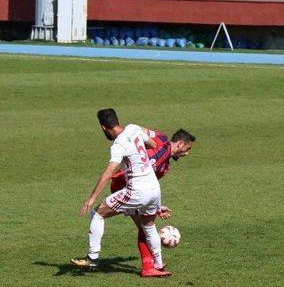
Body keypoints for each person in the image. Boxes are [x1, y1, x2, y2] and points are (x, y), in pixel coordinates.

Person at [71, 109, 169, 277]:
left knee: (97, 213)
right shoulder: (134, 128)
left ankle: (92, 258)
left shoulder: (118, 145)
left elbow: (109, 173)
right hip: (154, 188)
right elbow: (153, 144)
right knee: (148, 225)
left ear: (103, 127)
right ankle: (158, 266)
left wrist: (91, 198)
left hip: (137, 190)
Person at [110, 128, 196, 277]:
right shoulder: (159, 138)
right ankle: (150, 266)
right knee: (145, 227)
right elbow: (136, 130)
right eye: (187, 149)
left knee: (146, 226)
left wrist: (155, 206)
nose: (187, 153)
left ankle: (153, 264)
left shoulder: (165, 167)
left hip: (138, 190)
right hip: (122, 185)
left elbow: (149, 186)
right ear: (180, 144)